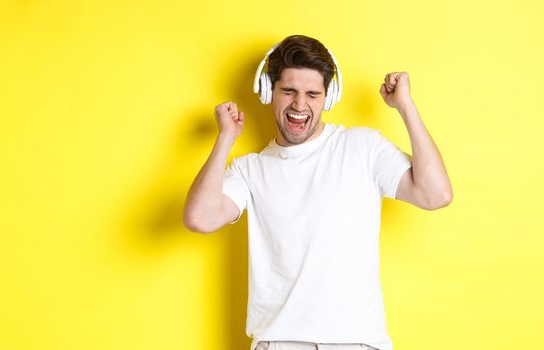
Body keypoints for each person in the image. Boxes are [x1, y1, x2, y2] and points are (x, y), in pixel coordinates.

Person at [183, 34, 452, 350]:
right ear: (269, 91)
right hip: (280, 343)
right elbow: (200, 218)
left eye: (313, 94)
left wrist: (405, 106)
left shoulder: (362, 147)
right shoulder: (249, 170)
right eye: (289, 91)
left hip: (357, 343)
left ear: (329, 95)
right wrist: (226, 137)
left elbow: (436, 194)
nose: (299, 105)